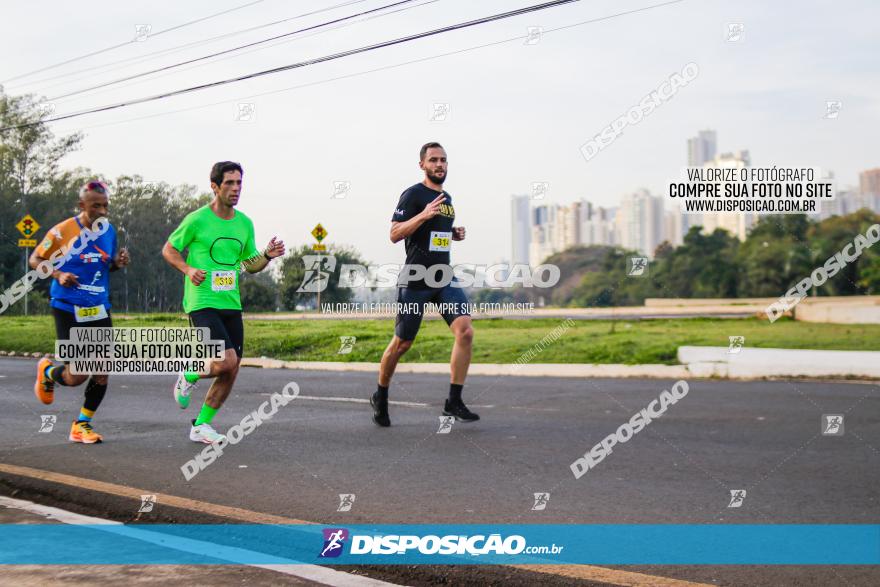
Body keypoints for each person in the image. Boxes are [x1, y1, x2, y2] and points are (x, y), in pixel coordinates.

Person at [162, 161, 285, 444]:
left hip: (231, 303)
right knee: (225, 361)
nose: (236, 188)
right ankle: (190, 373)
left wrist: (267, 255)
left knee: (233, 367)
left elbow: (250, 265)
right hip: (201, 302)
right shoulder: (197, 220)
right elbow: (169, 249)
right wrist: (188, 270)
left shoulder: (245, 223)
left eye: (239, 183)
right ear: (215, 187)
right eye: (229, 183)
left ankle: (201, 425)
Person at [371, 142, 478, 427]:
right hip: (416, 277)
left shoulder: (447, 197)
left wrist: (452, 233)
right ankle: (380, 394)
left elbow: (433, 234)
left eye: (443, 160)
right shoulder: (413, 195)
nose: (440, 164)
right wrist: (423, 215)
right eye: (434, 160)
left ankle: (453, 402)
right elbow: (395, 233)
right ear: (422, 165)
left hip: (442, 275)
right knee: (403, 343)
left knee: (465, 331)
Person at [31, 180, 130, 444]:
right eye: (96, 206)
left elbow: (104, 266)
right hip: (67, 308)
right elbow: (35, 259)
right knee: (76, 376)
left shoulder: (108, 231)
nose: (102, 211)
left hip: (98, 307)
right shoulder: (63, 231)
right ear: (82, 205)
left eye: (105, 206)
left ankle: (82, 424)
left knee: (102, 368)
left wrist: (118, 264)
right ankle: (49, 371)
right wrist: (58, 273)